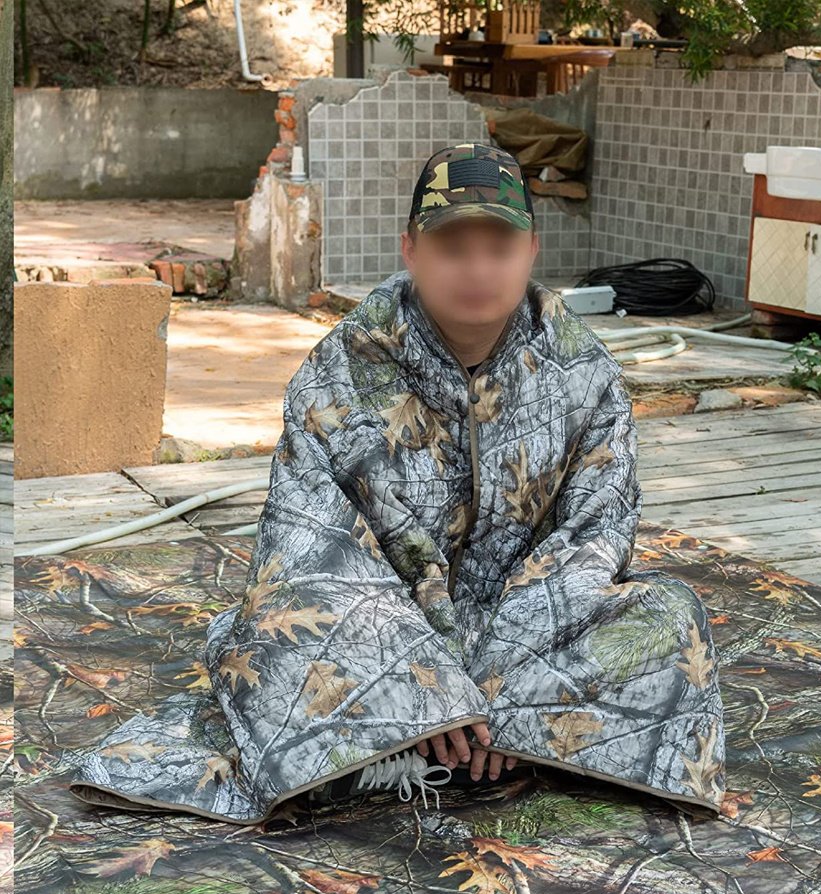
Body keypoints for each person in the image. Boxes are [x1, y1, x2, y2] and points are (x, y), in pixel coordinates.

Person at [68, 143, 726, 824]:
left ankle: (430, 741)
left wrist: (501, 675)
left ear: (531, 250)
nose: (478, 270)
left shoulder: (585, 374)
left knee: (670, 615)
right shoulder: (339, 373)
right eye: (452, 247)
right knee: (278, 627)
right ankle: (497, 738)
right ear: (411, 249)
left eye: (499, 248)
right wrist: (429, 679)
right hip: (379, 629)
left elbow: (595, 534)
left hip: (535, 629)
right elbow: (306, 545)